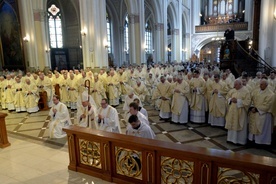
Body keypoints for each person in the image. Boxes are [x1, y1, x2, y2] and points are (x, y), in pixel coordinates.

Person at [248, 79, 275, 145]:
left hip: (263, 114)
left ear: (266, 85)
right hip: (254, 112)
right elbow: (251, 99)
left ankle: (262, 142)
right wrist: (251, 107)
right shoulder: (256, 91)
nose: (260, 86)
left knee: (262, 129)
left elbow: (268, 105)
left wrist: (257, 109)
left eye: (262, 84)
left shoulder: (270, 94)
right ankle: (253, 140)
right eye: (260, 84)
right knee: (253, 127)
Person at [225, 79, 251, 145]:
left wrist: (238, 101)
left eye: (236, 85)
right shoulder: (233, 90)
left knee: (239, 124)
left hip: (240, 112)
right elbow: (227, 97)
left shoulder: (246, 91)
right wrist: (230, 99)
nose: (234, 86)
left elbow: (248, 102)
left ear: (240, 84)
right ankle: (230, 139)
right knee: (232, 123)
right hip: (232, 110)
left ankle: (240, 141)